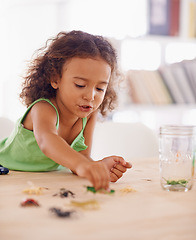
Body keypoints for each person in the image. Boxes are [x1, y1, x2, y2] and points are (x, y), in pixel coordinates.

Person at [0, 30, 131, 190]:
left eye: (99, 88)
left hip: (43, 183)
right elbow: (47, 141)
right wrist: (83, 165)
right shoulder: (43, 108)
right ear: (55, 79)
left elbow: (80, 159)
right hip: (7, 176)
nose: (90, 96)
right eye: (80, 85)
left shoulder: (89, 115)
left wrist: (97, 167)